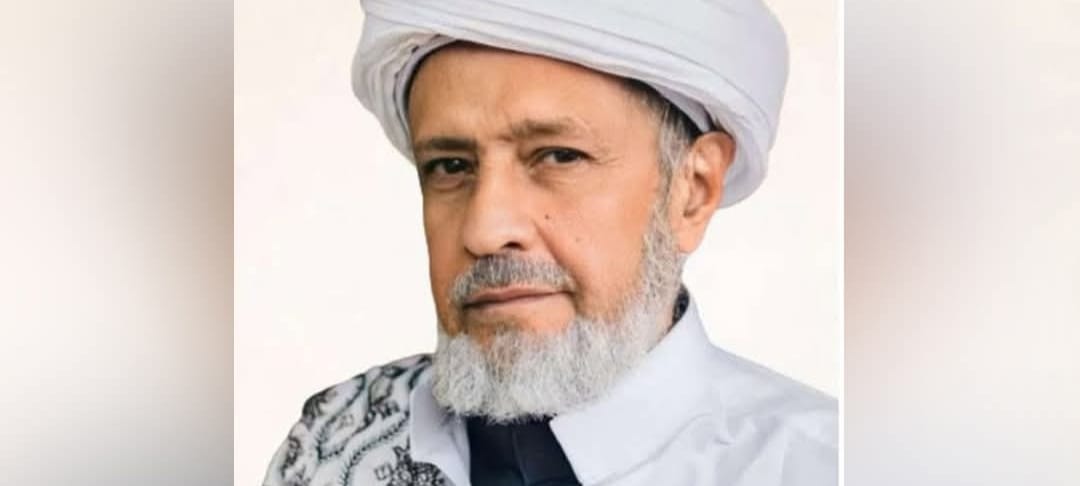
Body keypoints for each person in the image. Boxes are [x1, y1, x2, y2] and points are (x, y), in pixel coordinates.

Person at [263, 1, 837, 485]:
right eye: (450, 166)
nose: (484, 230)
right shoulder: (331, 444)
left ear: (693, 190)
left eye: (559, 156)